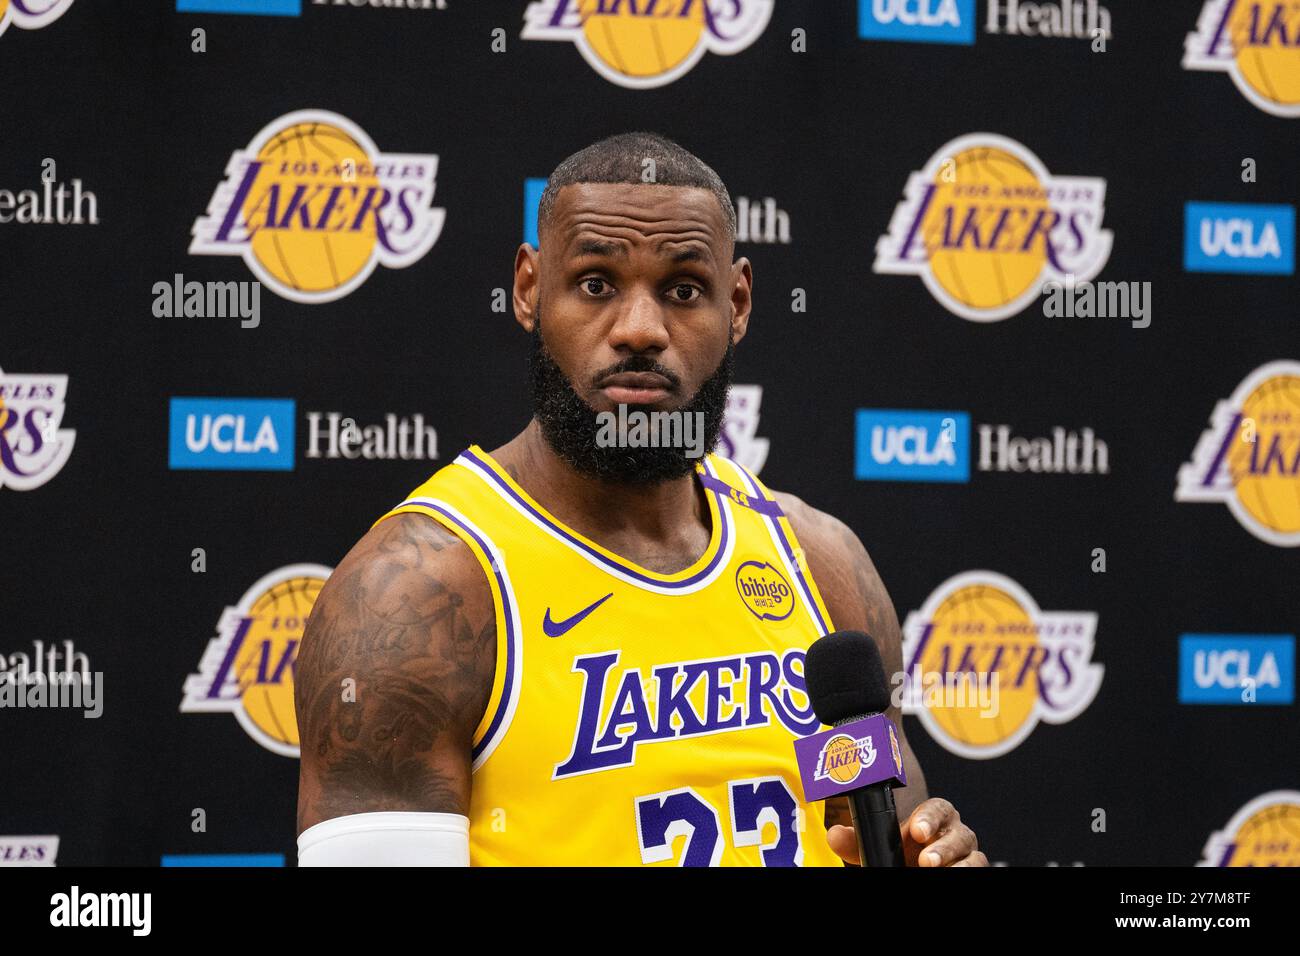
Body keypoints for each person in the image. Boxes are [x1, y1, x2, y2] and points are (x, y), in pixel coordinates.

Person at [294, 131, 986, 867]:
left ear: (739, 302)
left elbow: (888, 820)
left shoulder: (821, 561)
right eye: (596, 283)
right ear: (529, 289)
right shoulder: (413, 595)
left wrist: (927, 849)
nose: (640, 330)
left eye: (683, 290)